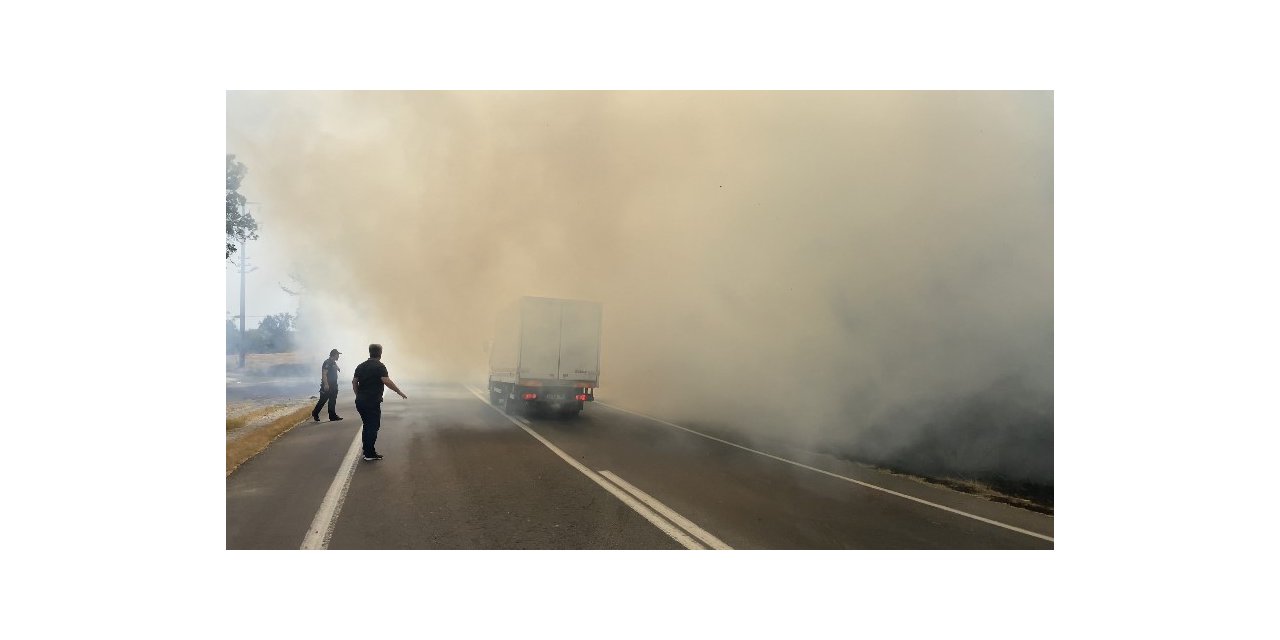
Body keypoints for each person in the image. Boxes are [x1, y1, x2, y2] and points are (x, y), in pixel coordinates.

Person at [352, 343, 408, 461]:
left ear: (370, 352)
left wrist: (358, 395)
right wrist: (399, 392)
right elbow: (386, 381)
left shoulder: (361, 366)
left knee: (367, 425)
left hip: (360, 401)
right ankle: (369, 454)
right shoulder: (379, 366)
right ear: (380, 353)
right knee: (373, 426)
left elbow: (354, 382)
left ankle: (366, 451)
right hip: (372, 401)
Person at [312, 348, 344, 422]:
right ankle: (315, 412)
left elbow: (336, 367)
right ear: (334, 355)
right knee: (323, 400)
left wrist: (338, 368)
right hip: (328, 385)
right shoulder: (327, 362)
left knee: (332, 401)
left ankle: (332, 416)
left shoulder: (333, 362)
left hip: (334, 385)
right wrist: (326, 384)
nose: (338, 356)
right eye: (338, 355)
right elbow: (324, 374)